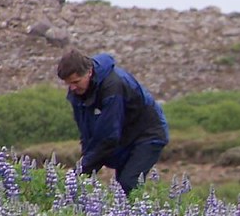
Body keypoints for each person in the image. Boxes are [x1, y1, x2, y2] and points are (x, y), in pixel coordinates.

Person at [56, 49, 169, 195]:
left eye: (76, 82)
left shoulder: (113, 86)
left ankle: (140, 214)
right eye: (68, 84)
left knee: (127, 184)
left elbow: (109, 136)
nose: (72, 88)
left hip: (148, 133)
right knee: (117, 185)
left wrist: (84, 169)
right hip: (125, 134)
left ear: (89, 72)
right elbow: (87, 132)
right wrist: (84, 169)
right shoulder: (78, 92)